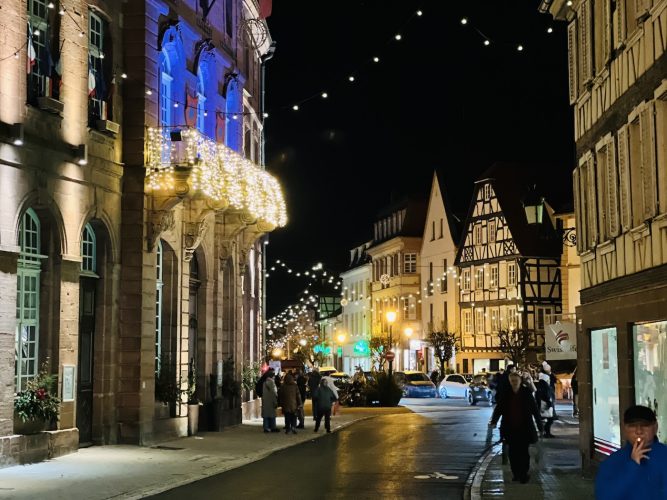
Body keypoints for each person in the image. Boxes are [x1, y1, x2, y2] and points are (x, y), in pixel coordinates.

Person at [595, 405, 667, 499]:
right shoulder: (612, 461)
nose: (639, 431)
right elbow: (604, 496)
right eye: (632, 426)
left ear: (655, 427)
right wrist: (632, 466)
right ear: (625, 428)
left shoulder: (664, 455)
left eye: (645, 425)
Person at [489, 371, 543, 483]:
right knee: (513, 453)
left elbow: (535, 410)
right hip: (510, 428)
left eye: (516, 380)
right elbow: (499, 409)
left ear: (520, 381)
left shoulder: (526, 393)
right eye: (512, 381)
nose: (514, 382)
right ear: (510, 382)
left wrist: (539, 425)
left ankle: (523, 474)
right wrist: (494, 421)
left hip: (524, 428)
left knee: (523, 452)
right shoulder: (506, 394)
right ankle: (516, 473)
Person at [535, 372, 555, 437]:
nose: (549, 380)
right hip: (545, 405)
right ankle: (546, 433)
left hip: (542, 405)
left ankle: (546, 432)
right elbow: (546, 395)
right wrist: (549, 403)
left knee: (546, 419)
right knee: (550, 419)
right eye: (548, 379)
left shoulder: (540, 385)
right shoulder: (545, 386)